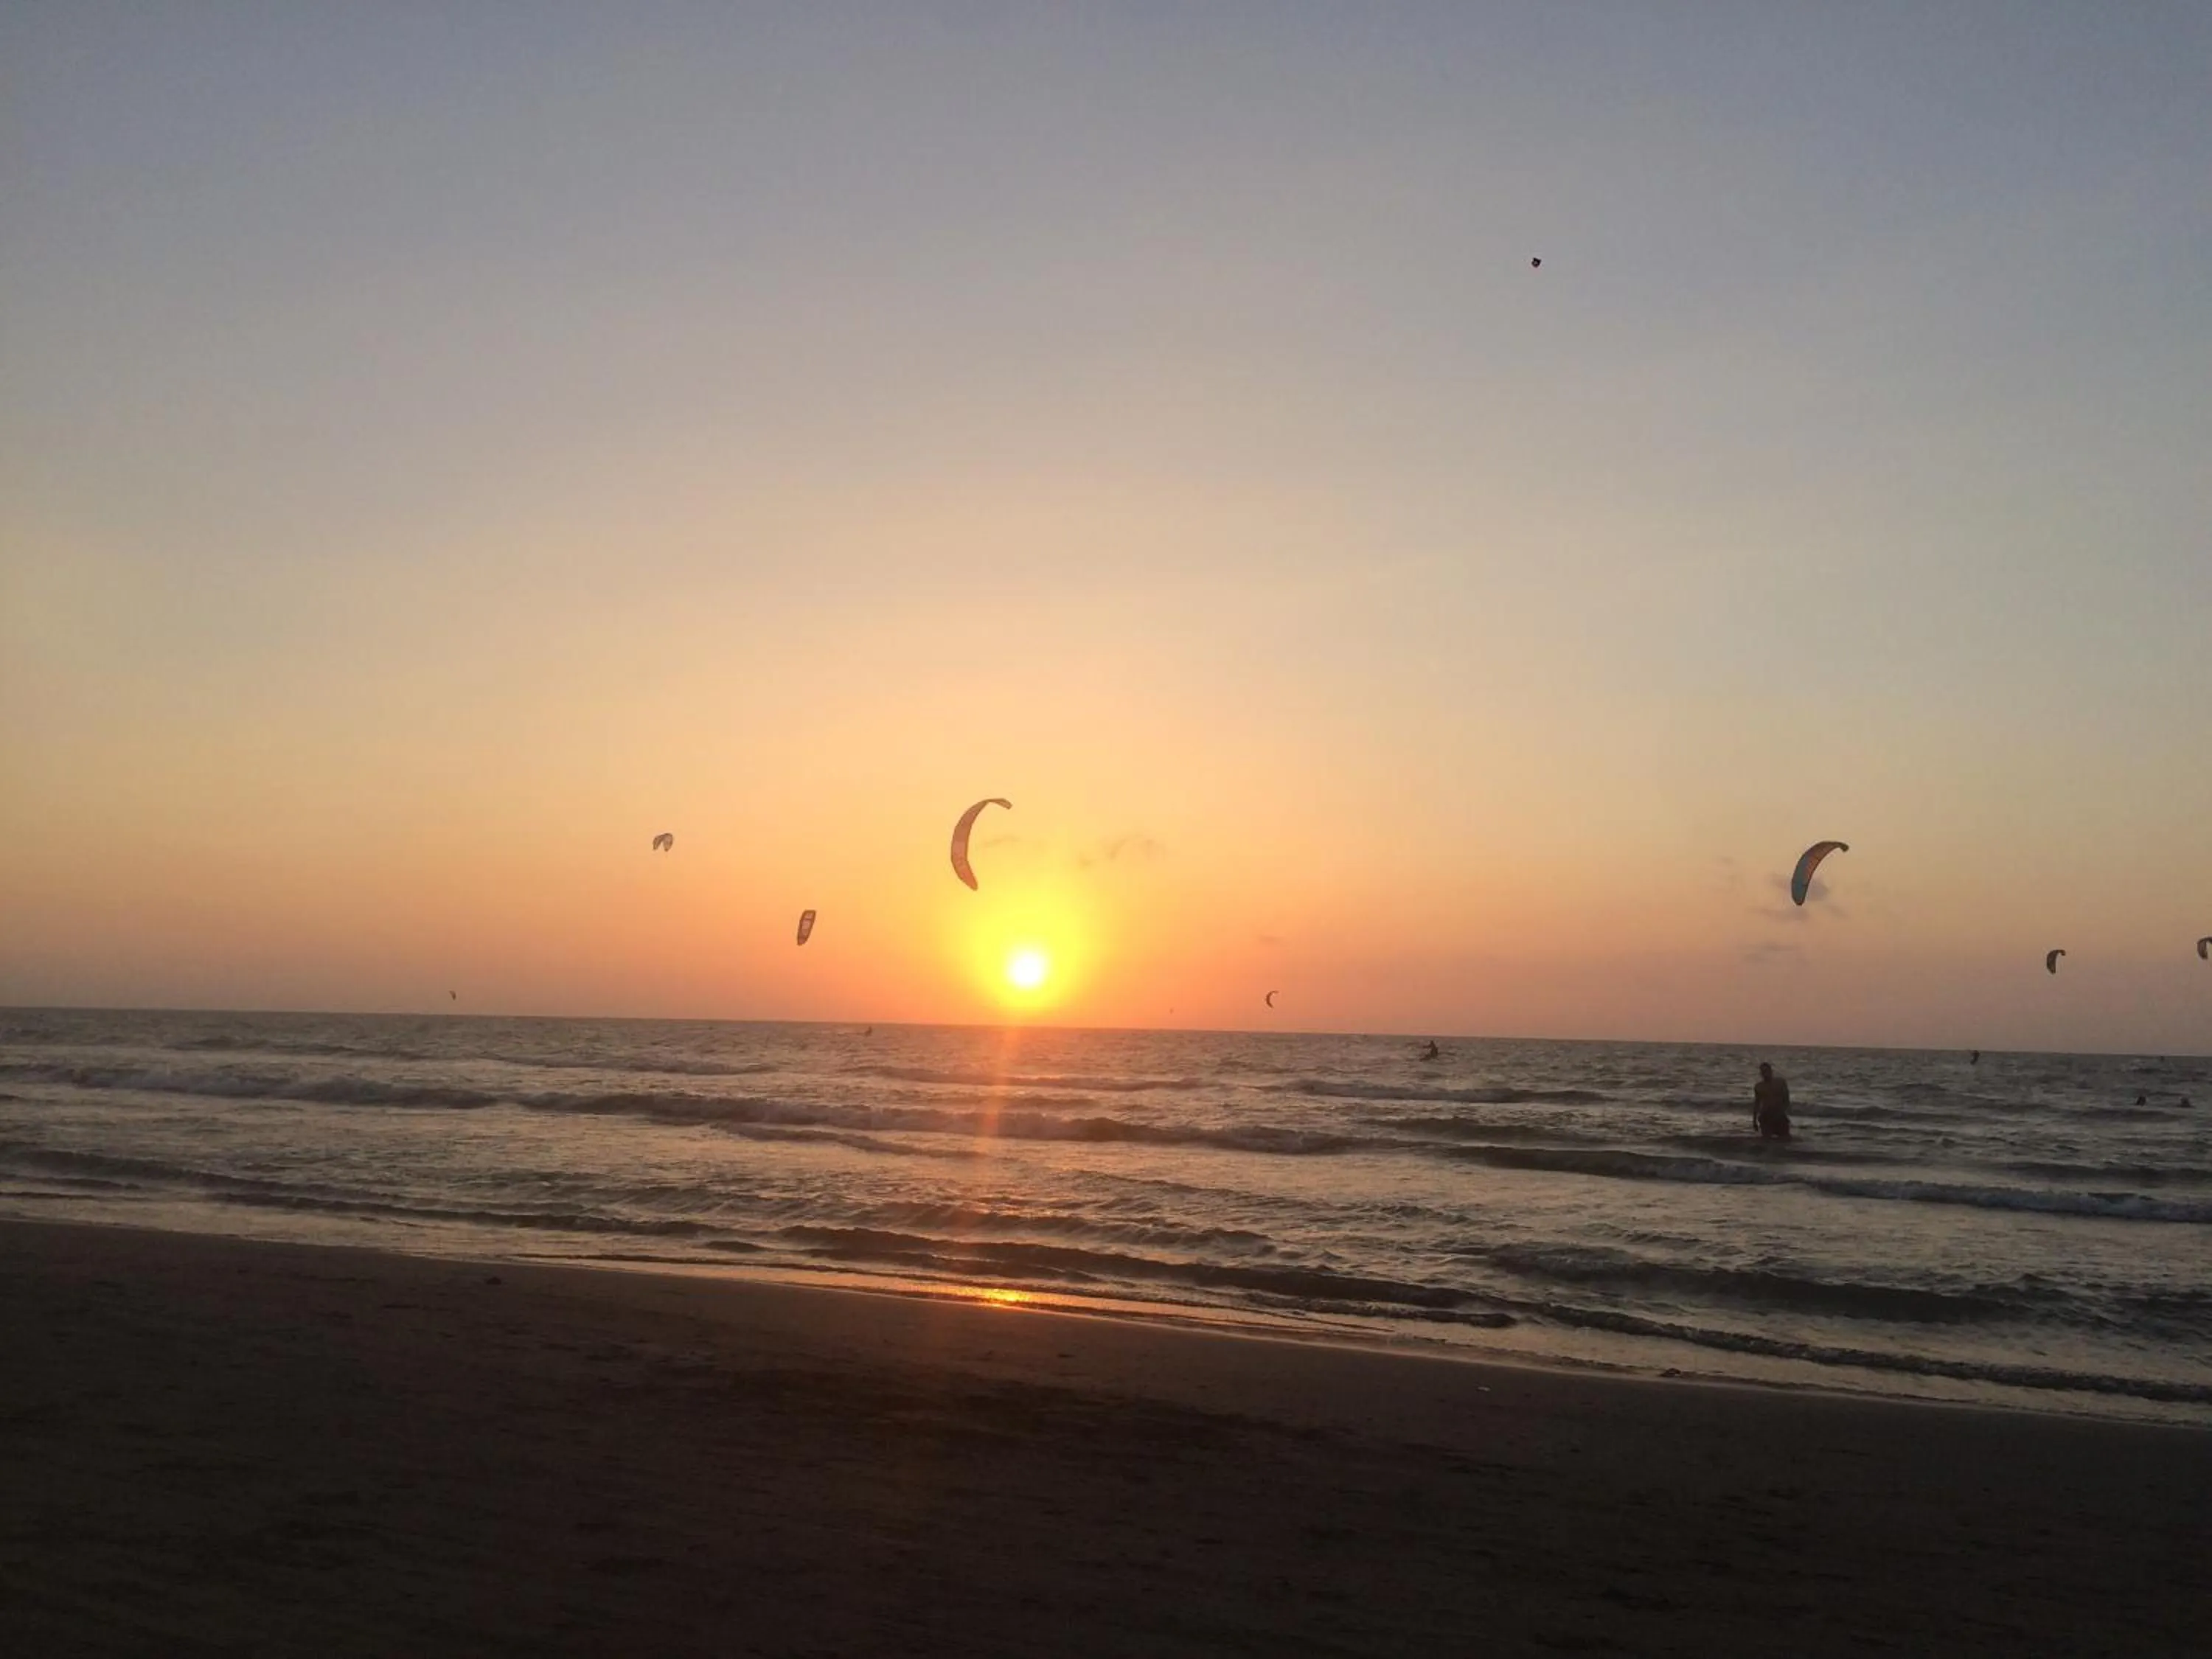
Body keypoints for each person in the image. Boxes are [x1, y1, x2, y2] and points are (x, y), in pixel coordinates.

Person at [1753, 1062, 1792, 1139]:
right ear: (1761, 1073)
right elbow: (1757, 1104)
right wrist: (1754, 1121)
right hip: (1765, 1116)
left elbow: (1786, 1100)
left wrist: (1782, 1111)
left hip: (1779, 1114)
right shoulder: (1759, 1086)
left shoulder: (1780, 1083)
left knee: (1785, 1139)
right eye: (1763, 1072)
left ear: (1771, 1071)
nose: (1765, 1074)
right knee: (1767, 1140)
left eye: (1767, 1071)